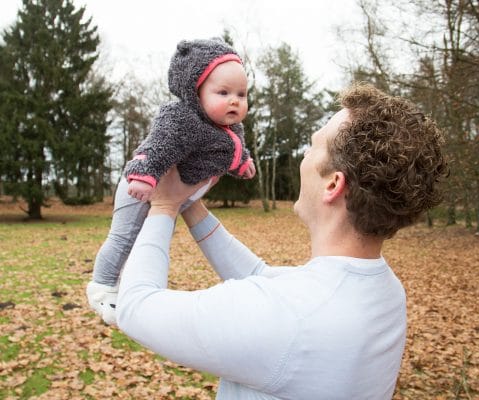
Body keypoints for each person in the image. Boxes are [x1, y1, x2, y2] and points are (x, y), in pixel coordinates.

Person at [116, 83, 448, 399]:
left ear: (333, 185)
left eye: (314, 145)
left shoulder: (292, 317)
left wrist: (163, 205)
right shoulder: (384, 289)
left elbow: (136, 307)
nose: (304, 155)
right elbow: (260, 276)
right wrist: (190, 204)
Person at [86, 38, 255, 325]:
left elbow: (234, 147)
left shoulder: (230, 128)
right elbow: (158, 145)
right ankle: (101, 286)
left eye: (241, 93)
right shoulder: (181, 118)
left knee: (142, 243)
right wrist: (145, 174)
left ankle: (126, 286)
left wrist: (242, 163)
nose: (235, 100)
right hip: (141, 186)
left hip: (176, 197)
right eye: (223, 92)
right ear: (195, 92)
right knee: (123, 237)